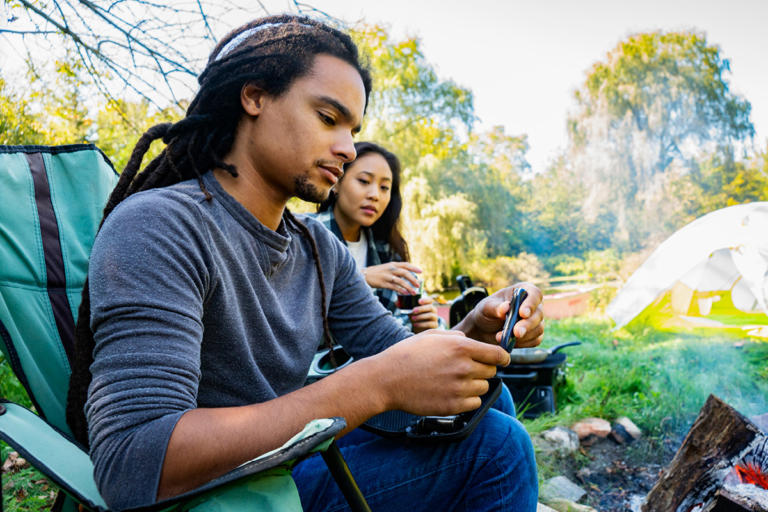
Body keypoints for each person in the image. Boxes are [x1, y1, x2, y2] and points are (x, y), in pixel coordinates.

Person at [65, 14, 544, 511]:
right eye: (327, 118)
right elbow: (134, 461)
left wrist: (473, 334)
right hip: (217, 494)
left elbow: (402, 363)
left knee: (491, 401)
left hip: (285, 461)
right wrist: (374, 383)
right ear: (254, 97)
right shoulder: (160, 226)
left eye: (353, 129)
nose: (348, 148)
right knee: (498, 449)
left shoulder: (317, 248)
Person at [315, 141, 440, 333]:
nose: (375, 195)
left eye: (384, 187)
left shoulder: (387, 251)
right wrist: (360, 277)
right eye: (364, 181)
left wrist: (421, 325)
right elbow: (288, 301)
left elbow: (393, 325)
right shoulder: (302, 234)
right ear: (336, 183)